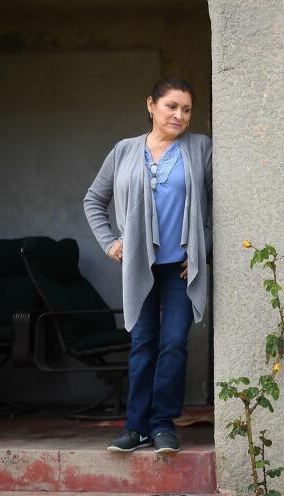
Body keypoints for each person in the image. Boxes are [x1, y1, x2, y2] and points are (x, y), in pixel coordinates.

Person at [84, 76, 212, 454]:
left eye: (186, 109)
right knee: (142, 344)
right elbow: (94, 200)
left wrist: (203, 251)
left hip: (180, 268)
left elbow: (217, 205)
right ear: (151, 105)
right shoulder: (124, 151)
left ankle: (162, 425)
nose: (179, 115)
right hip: (140, 265)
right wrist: (110, 241)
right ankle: (136, 426)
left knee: (173, 343)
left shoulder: (200, 148)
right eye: (171, 106)